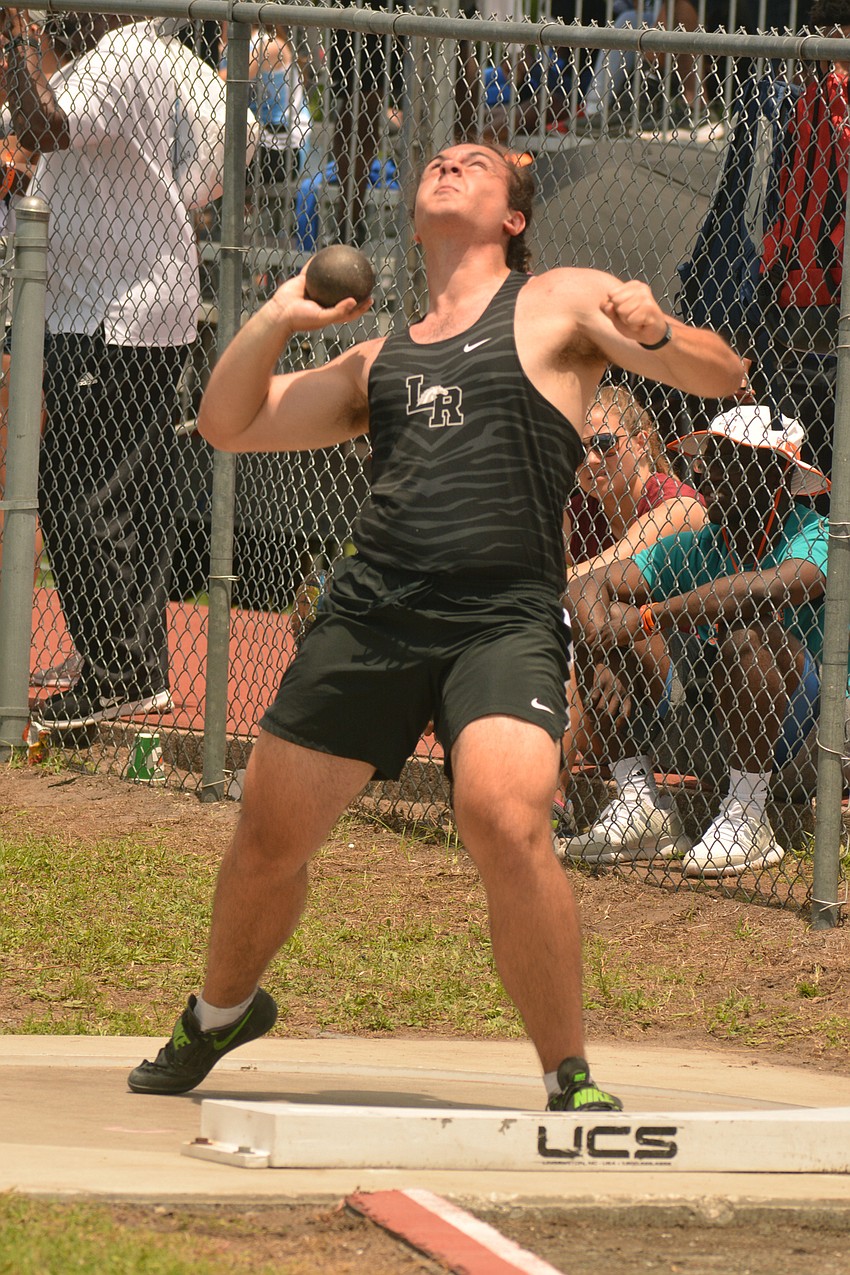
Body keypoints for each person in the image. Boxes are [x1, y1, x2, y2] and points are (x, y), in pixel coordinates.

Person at [126, 140, 742, 1107]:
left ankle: (569, 1074)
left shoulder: (561, 303)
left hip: (502, 614)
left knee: (506, 815)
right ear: (413, 220)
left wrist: (659, 331)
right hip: (373, 611)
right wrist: (279, 315)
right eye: (437, 163)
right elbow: (228, 423)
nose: (449, 166)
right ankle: (219, 1012)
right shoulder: (379, 357)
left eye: (475, 164)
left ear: (514, 217)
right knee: (269, 837)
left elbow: (724, 373)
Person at [1, 9, 236, 730]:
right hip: (104, 305)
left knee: (76, 492)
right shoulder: (101, 58)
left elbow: (41, 128)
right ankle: (127, 663)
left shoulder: (123, 54)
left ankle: (119, 671)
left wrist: (18, 36)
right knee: (120, 494)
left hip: (115, 314)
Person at [565, 405, 833, 877]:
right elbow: (586, 585)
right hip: (703, 735)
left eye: (725, 458)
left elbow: (764, 589)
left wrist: (649, 617)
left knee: (747, 631)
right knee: (607, 619)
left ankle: (749, 815)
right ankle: (640, 807)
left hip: (808, 745)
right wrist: (605, 639)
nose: (703, 470)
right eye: (706, 458)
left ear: (773, 473)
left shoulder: (815, 534)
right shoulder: (700, 543)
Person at [560, 383, 706, 789]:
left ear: (641, 442)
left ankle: (553, 792)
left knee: (602, 605)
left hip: (682, 672)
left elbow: (601, 570)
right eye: (577, 450)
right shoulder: (577, 509)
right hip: (600, 662)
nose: (590, 459)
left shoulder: (676, 503)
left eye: (605, 444)